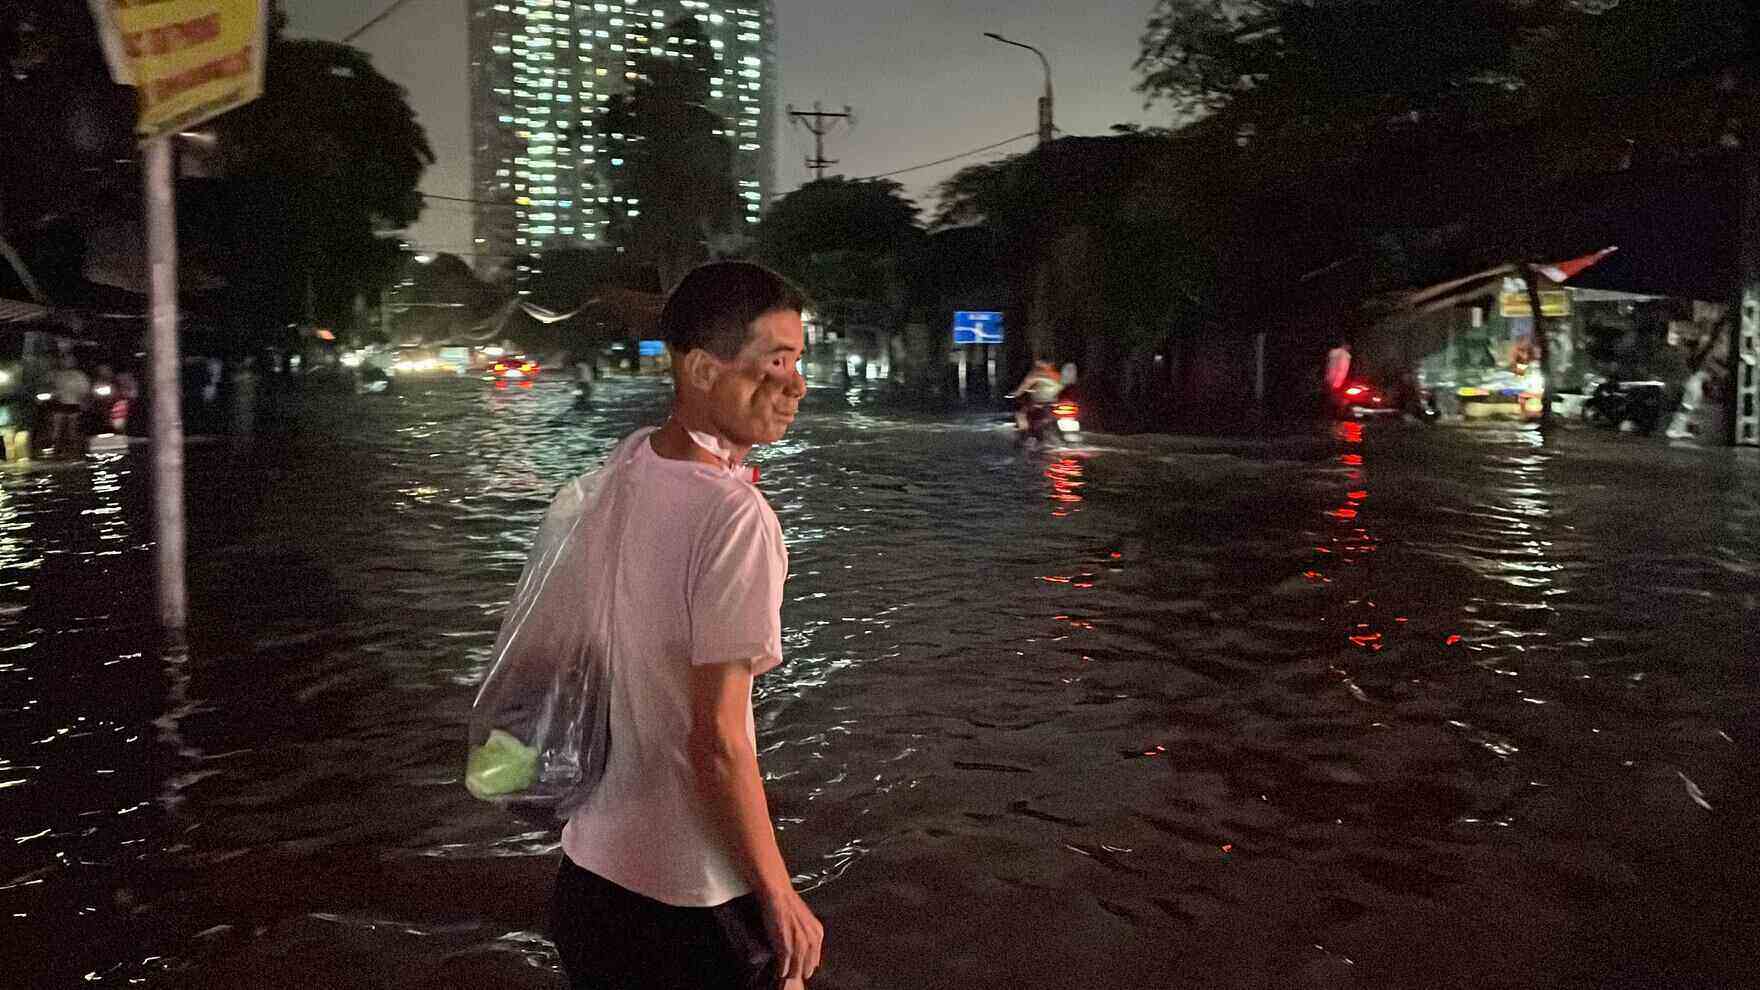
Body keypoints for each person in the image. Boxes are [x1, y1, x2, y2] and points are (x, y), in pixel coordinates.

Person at [547, 261, 821, 990]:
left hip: (588, 878)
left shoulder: (625, 466)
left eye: (799, 363)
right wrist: (779, 894)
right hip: (692, 902)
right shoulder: (735, 518)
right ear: (702, 370)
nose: (796, 386)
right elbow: (718, 741)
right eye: (776, 363)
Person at [48, 354, 91, 459]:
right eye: (64, 361)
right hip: (60, 405)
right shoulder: (57, 375)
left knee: (73, 428)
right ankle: (57, 449)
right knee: (57, 428)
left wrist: (82, 400)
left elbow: (84, 390)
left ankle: (74, 450)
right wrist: (54, 394)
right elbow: (52, 388)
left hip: (74, 405)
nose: (66, 363)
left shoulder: (79, 376)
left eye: (68, 361)